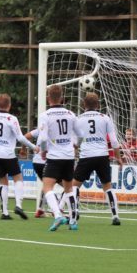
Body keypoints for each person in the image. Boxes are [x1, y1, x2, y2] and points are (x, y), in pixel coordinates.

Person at [0, 93, 36, 220]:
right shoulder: (11, 119)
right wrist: (34, 147)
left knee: (3, 182)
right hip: (8, 155)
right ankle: (18, 205)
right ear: (9, 105)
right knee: (18, 178)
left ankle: (5, 213)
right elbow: (20, 137)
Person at [72, 93, 125, 227]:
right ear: (98, 105)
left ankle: (75, 211)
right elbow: (113, 141)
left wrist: (76, 149)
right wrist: (118, 157)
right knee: (107, 186)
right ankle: (115, 216)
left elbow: (76, 141)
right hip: (102, 155)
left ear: (84, 105)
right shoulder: (105, 118)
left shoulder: (78, 119)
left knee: (75, 185)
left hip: (86, 156)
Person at [36, 84, 78, 232]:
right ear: (62, 97)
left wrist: (43, 151)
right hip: (69, 156)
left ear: (48, 99)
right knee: (69, 188)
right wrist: (75, 145)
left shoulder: (45, 115)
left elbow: (42, 138)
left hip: (54, 156)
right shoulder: (71, 114)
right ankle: (73, 220)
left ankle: (58, 215)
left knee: (47, 187)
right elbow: (80, 135)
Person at [24, 128, 47, 218]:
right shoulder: (54, 130)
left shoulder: (40, 129)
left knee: (47, 184)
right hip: (46, 162)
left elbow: (25, 137)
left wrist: (23, 148)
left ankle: (40, 209)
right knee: (67, 184)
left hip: (36, 162)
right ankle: (58, 207)